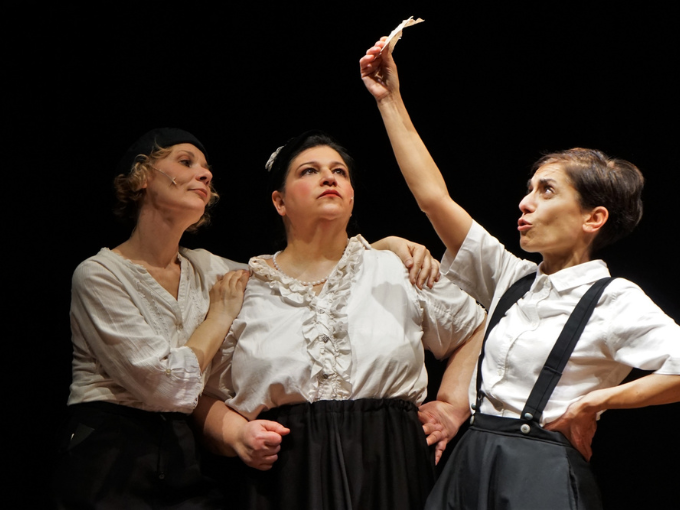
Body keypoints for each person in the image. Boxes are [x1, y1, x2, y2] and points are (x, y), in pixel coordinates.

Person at [360, 37, 680, 509]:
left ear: (593, 218)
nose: (525, 202)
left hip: (541, 473)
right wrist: (390, 100)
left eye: (547, 191)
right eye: (529, 188)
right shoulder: (513, 279)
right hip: (473, 459)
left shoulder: (614, 300)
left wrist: (597, 402)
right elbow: (433, 199)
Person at [52, 127, 444, 509]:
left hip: (180, 449)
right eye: (185, 162)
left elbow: (298, 271)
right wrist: (218, 318)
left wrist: (383, 250)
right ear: (141, 178)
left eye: (206, 168)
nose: (204, 174)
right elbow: (165, 387)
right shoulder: (100, 275)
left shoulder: (205, 268)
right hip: (112, 446)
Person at [195, 130, 486, 510]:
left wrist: (451, 407)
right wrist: (236, 435)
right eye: (309, 171)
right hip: (287, 475)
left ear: (351, 197)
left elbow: (475, 328)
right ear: (279, 201)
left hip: (391, 467)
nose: (329, 178)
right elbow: (197, 392)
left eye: (339, 172)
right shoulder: (245, 289)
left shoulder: (397, 270)